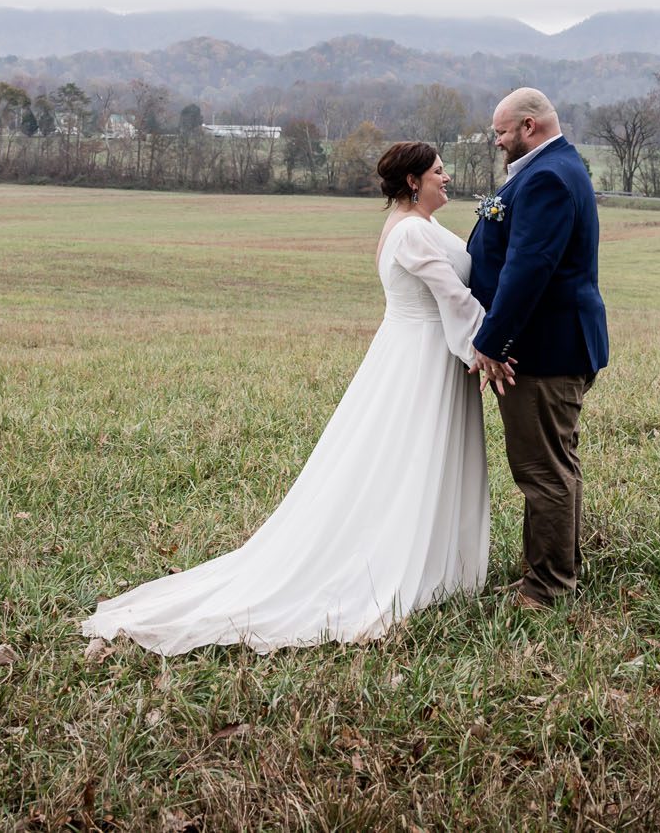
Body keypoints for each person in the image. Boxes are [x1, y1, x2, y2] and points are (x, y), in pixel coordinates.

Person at [81, 142, 490, 653]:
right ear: (413, 181)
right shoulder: (409, 231)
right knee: (405, 458)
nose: (445, 178)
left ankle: (436, 553)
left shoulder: (419, 225)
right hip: (420, 357)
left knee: (417, 457)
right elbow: (450, 295)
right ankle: (395, 559)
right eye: (438, 171)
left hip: (424, 352)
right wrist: (485, 346)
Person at [466, 87, 608, 607]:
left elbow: (530, 268)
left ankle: (548, 589)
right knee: (556, 464)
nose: (498, 141)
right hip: (557, 344)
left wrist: (492, 341)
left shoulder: (547, 176)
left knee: (542, 472)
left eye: (501, 132)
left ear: (529, 126)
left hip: (544, 351)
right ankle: (551, 571)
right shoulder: (558, 166)